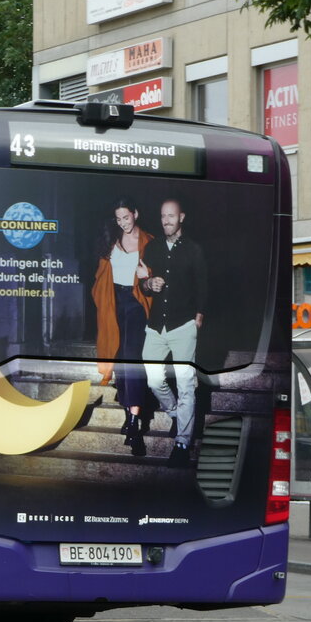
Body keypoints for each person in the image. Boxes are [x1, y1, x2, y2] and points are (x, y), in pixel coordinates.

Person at [141, 199, 208, 467]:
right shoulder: (152, 247)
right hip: (156, 325)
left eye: (171, 216)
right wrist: (149, 283)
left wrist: (199, 317)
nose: (166, 220)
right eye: (162, 216)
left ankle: (182, 442)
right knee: (154, 380)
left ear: (181, 217)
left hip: (183, 325)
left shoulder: (194, 249)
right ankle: (176, 413)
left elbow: (203, 285)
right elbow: (142, 282)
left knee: (186, 385)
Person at [91, 198, 153, 456]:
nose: (123, 223)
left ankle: (134, 422)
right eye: (118, 219)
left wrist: (146, 276)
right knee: (117, 358)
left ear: (135, 214)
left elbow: (158, 277)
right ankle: (130, 414)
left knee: (131, 358)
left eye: (126, 217)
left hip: (135, 303)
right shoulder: (110, 240)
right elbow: (100, 276)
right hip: (112, 302)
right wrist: (103, 300)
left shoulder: (149, 241)